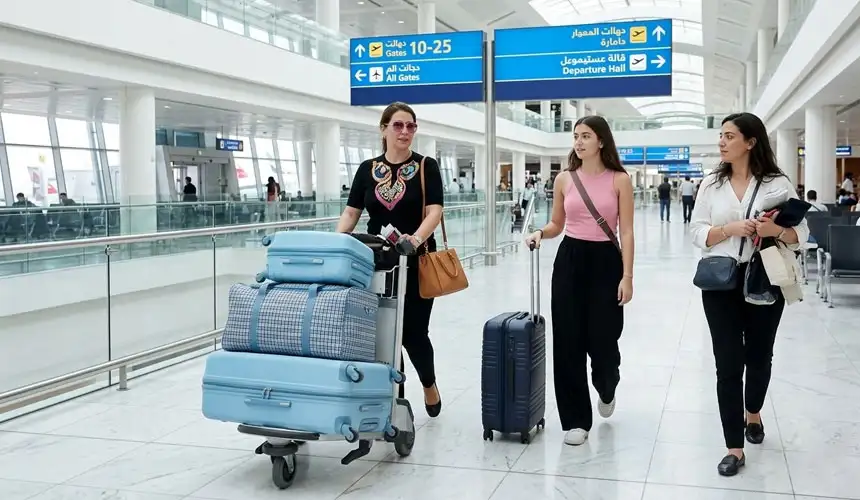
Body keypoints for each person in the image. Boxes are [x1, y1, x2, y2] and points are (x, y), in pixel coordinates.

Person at [689, 112, 809, 477]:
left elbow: (801, 233)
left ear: (751, 141)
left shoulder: (777, 182)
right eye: (721, 136)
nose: (722, 142)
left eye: (729, 136)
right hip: (720, 282)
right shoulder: (711, 183)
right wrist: (729, 229)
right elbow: (696, 231)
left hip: (764, 277)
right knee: (727, 364)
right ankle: (733, 447)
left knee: (759, 356)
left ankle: (753, 411)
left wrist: (775, 229)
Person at [525, 115, 635, 446]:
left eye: (586, 135)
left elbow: (626, 231)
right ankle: (575, 420)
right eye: (576, 136)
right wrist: (541, 232)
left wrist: (627, 276)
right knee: (568, 341)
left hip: (606, 260)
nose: (579, 141)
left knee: (604, 340)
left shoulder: (620, 180)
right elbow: (558, 222)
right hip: (570, 259)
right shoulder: (564, 179)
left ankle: (607, 384)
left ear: (601, 141)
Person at [335, 102, 445, 418]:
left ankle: (429, 384)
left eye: (411, 126)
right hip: (377, 261)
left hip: (416, 260)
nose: (405, 132)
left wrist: (415, 239)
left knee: (412, 332)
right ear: (383, 128)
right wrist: (336, 241)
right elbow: (352, 212)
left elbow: (434, 211)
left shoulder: (427, 166)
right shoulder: (367, 169)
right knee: (383, 331)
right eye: (398, 125)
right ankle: (394, 396)